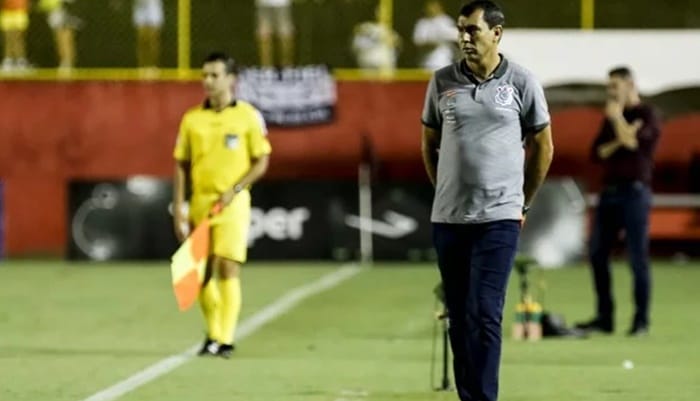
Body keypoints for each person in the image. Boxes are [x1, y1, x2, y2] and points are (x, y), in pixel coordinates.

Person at [420, 2, 553, 401]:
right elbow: (429, 144)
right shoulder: (442, 81)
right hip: (449, 219)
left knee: (485, 311)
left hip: (499, 218)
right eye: (461, 30)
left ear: (496, 33)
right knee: (459, 316)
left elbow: (544, 146)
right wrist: (444, 189)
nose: (464, 38)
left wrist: (522, 203)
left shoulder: (522, 82)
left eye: (472, 30)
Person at [173, 52, 272, 358]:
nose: (208, 81)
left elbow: (261, 161)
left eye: (215, 75)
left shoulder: (248, 116)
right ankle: (213, 334)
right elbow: (181, 165)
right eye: (204, 75)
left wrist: (236, 189)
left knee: (227, 266)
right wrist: (178, 208)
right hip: (200, 202)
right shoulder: (191, 119)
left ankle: (225, 339)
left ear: (231, 79)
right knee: (199, 273)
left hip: (233, 203)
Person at [575, 66, 661, 337]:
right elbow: (598, 153)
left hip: (635, 193)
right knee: (597, 254)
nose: (611, 92)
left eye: (614, 86)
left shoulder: (647, 115)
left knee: (637, 258)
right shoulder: (609, 119)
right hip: (609, 193)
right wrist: (621, 135)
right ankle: (605, 317)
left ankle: (641, 321)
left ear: (629, 84)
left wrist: (618, 121)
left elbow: (634, 144)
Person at [351, 5, 401, 72]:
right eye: (380, 12)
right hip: (368, 66)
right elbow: (356, 47)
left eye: (386, 12)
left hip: (385, 68)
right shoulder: (365, 27)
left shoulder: (392, 32)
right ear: (375, 13)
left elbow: (397, 48)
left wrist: (394, 41)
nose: (383, 14)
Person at [412, 0, 457, 71]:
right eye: (429, 6)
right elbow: (417, 42)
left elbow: (456, 38)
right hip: (425, 64)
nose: (431, 8)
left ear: (439, 7)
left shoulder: (446, 21)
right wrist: (431, 43)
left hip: (443, 63)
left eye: (434, 6)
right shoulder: (422, 23)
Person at [38, 0, 81, 73]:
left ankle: (68, 63)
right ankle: (65, 62)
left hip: (66, 9)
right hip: (56, 10)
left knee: (65, 37)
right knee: (60, 37)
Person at [255, 0, 294, 67]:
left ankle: (287, 67)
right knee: (264, 35)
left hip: (282, 4)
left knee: (285, 35)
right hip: (263, 3)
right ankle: (266, 67)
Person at [1, 0, 29, 72]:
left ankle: (20, 60)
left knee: (18, 39)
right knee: (8, 39)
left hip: (19, 11)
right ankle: (8, 60)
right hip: (6, 12)